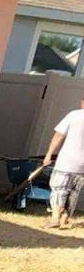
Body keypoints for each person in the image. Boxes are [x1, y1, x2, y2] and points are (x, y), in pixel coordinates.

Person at [43, 97, 84, 228]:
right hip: (82, 165)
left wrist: (49, 154)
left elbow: (58, 135)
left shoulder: (74, 115)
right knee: (74, 192)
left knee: (58, 189)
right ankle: (65, 219)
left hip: (66, 161)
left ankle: (55, 218)